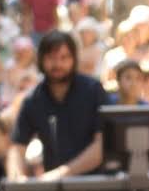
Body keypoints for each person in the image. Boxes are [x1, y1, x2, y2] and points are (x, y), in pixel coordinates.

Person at [7, 31, 105, 180]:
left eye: (64, 58)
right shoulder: (33, 100)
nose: (58, 64)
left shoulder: (93, 91)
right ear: (41, 60)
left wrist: (63, 173)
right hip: (53, 186)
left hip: (95, 182)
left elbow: (102, 144)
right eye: (51, 58)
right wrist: (17, 177)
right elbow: (17, 147)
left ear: (74, 59)